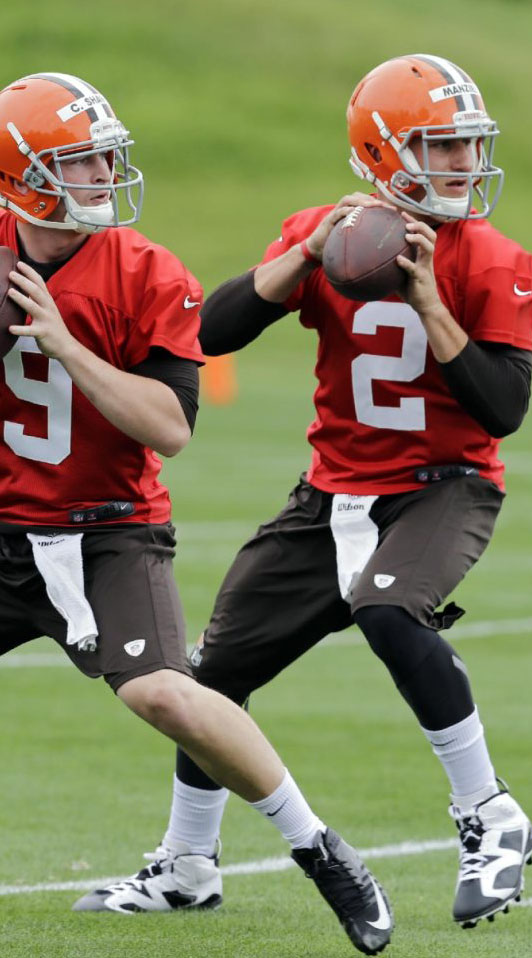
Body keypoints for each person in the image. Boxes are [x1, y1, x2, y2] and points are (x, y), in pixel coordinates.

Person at [81, 53, 532, 930]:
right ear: (382, 152)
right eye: (444, 146)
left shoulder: (492, 259)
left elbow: (505, 408)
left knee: (387, 609)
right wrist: (303, 257)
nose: (465, 164)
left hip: (446, 485)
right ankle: (187, 863)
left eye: (470, 145)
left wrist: (428, 298)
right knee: (212, 677)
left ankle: (491, 815)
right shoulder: (324, 233)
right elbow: (207, 334)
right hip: (332, 492)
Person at [0, 72, 393, 957]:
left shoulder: (146, 272)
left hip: (107, 526)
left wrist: (63, 343)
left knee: (165, 694)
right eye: (80, 162)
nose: (103, 175)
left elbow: (170, 428)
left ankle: (322, 851)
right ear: (21, 177)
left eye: (106, 158)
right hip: (3, 527)